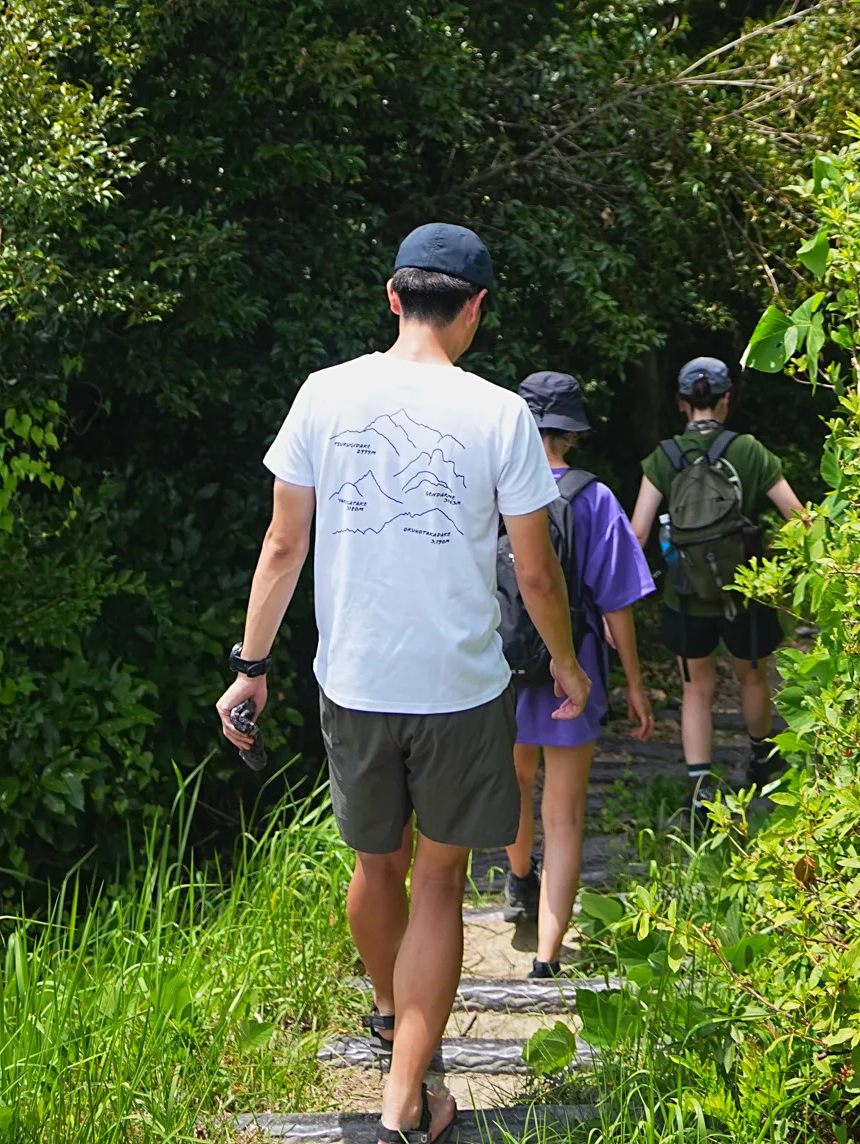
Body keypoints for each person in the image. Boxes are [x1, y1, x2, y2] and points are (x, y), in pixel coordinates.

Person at [217, 225, 589, 1144]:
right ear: (475, 308)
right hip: (461, 687)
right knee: (439, 880)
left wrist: (251, 668)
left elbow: (282, 544)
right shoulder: (501, 414)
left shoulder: (322, 394)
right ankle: (404, 1096)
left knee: (374, 863)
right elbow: (536, 575)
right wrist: (570, 667)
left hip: (353, 680)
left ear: (392, 296)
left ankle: (393, 1027)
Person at [502, 370, 655, 973]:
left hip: (503, 666)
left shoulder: (494, 490)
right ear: (571, 431)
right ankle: (546, 955)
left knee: (513, 783)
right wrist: (636, 683)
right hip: (576, 668)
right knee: (562, 814)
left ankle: (517, 879)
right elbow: (617, 602)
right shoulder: (594, 498)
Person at [629, 355, 804, 803]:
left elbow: (639, 532)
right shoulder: (748, 450)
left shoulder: (663, 457)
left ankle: (701, 790)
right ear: (726, 400)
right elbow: (799, 517)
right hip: (746, 589)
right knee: (753, 676)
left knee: (696, 688)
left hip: (685, 595)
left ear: (682, 404)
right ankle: (761, 760)